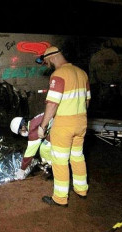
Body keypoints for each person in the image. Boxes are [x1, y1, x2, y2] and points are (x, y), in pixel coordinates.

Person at [36, 46, 91, 207]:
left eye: (47, 62)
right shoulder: (82, 73)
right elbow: (87, 101)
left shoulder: (58, 75)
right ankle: (81, 190)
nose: (47, 65)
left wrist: (43, 126)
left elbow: (52, 103)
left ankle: (60, 198)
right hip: (81, 121)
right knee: (78, 156)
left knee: (59, 161)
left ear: (52, 58)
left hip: (64, 125)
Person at [10, 113, 53, 180]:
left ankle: (54, 169)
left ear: (23, 126)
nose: (21, 134)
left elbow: (29, 154)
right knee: (45, 143)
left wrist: (22, 170)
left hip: (61, 125)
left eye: (20, 131)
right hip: (59, 121)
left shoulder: (32, 131)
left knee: (45, 148)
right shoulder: (33, 122)